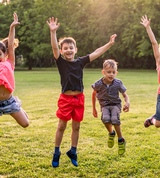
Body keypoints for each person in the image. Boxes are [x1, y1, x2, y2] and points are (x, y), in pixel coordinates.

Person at [46, 17, 117, 167]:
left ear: (75, 50)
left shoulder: (80, 62)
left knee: (76, 127)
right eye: (65, 48)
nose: (68, 50)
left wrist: (109, 44)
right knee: (61, 126)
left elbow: (96, 52)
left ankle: (73, 151)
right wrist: (53, 32)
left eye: (71, 48)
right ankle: (56, 152)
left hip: (79, 99)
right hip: (65, 98)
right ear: (62, 51)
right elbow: (54, 48)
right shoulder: (61, 62)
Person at [91, 59, 130, 155]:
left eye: (113, 72)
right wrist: (94, 108)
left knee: (115, 119)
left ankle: (120, 140)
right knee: (105, 119)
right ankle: (111, 133)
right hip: (104, 105)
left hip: (115, 104)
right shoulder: (98, 84)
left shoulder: (118, 83)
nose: (111, 74)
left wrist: (127, 102)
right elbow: (94, 94)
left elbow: (125, 94)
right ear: (103, 72)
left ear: (116, 73)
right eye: (108, 72)